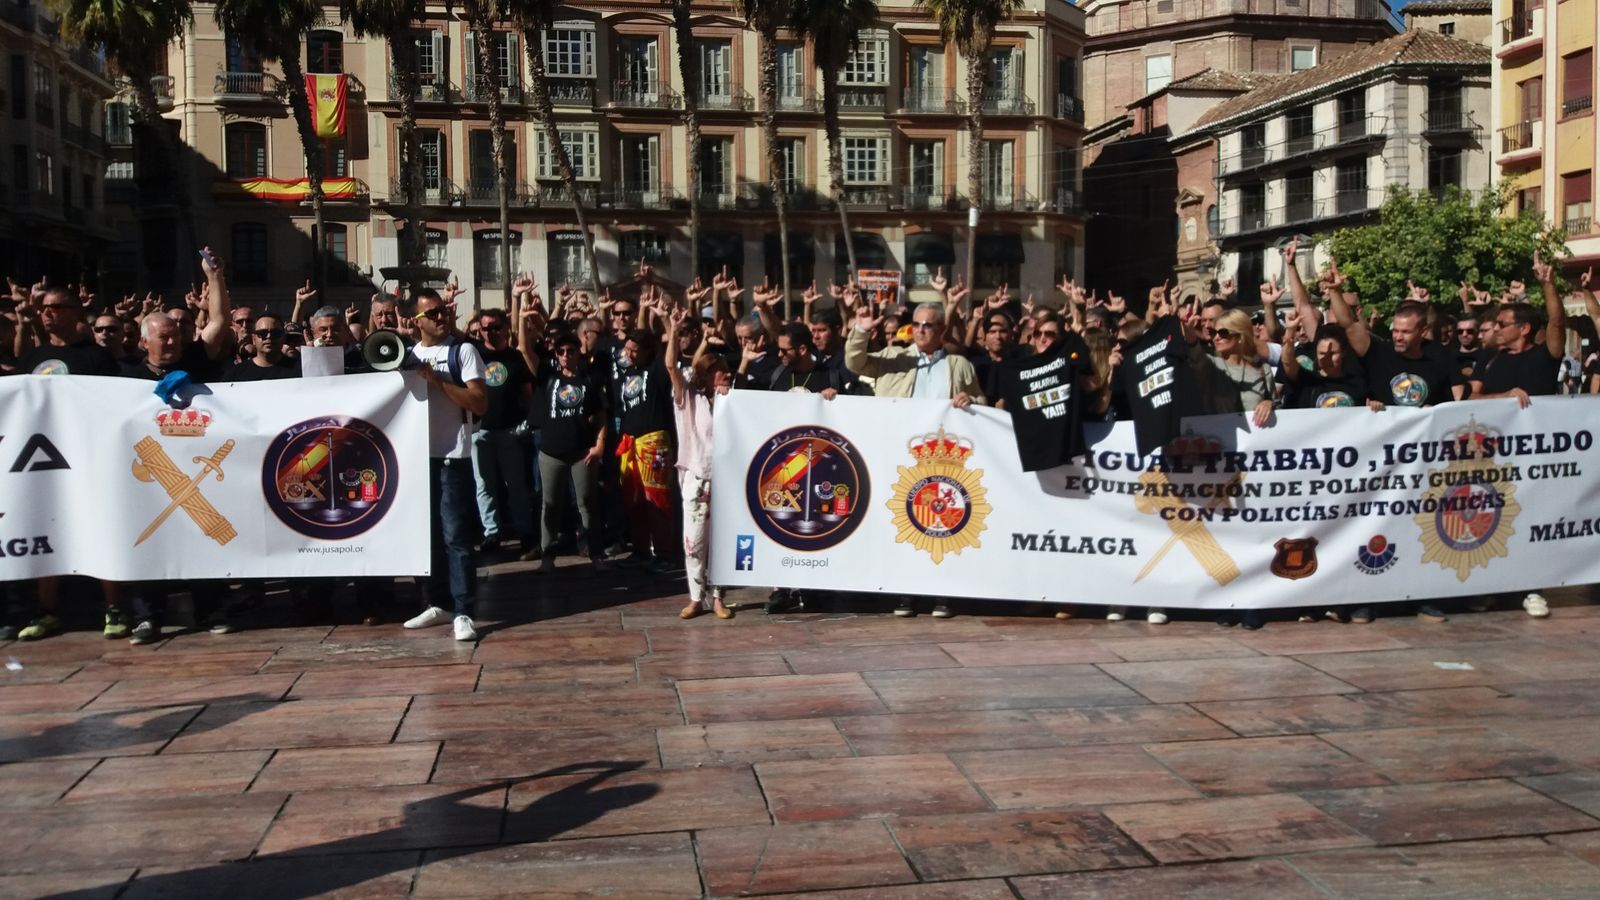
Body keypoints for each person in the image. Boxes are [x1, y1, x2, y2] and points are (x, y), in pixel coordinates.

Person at [845, 300, 984, 617]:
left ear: (942, 330)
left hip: (944, 458)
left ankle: (942, 593)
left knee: (943, 525)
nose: (921, 329)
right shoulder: (894, 358)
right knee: (903, 524)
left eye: (929, 325)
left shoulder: (960, 365)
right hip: (898, 455)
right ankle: (905, 592)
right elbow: (854, 363)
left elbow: (982, 402)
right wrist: (861, 331)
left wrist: (970, 400)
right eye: (917, 324)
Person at [1466, 251, 1567, 621]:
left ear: (1523, 329)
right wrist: (1502, 398)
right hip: (1492, 459)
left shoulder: (1544, 356)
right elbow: (1471, 399)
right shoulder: (1490, 360)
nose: (1497, 328)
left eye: (1504, 323)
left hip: (1534, 459)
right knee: (1491, 521)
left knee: (1530, 520)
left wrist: (1547, 283)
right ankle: (1492, 587)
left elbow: (1557, 321)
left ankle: (1532, 588)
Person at [402, 290, 490, 641]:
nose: (441, 317)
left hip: (453, 455)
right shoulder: (406, 355)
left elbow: (480, 402)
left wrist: (438, 381)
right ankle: (436, 603)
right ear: (416, 321)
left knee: (456, 537)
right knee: (427, 537)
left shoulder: (463, 350)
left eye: (444, 311)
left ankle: (464, 609)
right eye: (433, 313)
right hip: (415, 457)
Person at [519, 303, 610, 575]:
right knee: (549, 505)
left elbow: (602, 413)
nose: (566, 355)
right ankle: (548, 555)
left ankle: (596, 553)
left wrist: (600, 443)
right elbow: (524, 350)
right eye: (561, 351)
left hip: (582, 451)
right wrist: (522, 315)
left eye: (571, 350)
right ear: (556, 354)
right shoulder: (548, 375)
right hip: (550, 452)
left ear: (578, 352)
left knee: (587, 504)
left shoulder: (589, 379)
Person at [664, 305, 734, 620]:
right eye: (723, 376)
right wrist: (673, 329)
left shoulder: (733, 402)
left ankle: (718, 597)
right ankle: (696, 598)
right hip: (697, 476)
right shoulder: (688, 399)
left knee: (721, 540)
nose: (728, 379)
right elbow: (671, 366)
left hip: (728, 480)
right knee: (694, 541)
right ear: (708, 377)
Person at [470, 306, 538, 559]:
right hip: (480, 431)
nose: (491, 332)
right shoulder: (473, 354)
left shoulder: (515, 357)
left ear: (505, 328)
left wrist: (528, 422)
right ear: (479, 329)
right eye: (486, 328)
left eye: (496, 327)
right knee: (483, 486)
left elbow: (527, 394)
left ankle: (525, 532)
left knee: (516, 486)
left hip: (510, 431)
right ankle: (492, 533)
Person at [223, 315, 299, 381]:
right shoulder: (236, 374)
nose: (268, 337)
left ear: (283, 338)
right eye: (262, 333)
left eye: (275, 333)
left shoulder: (299, 369)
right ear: (253, 338)